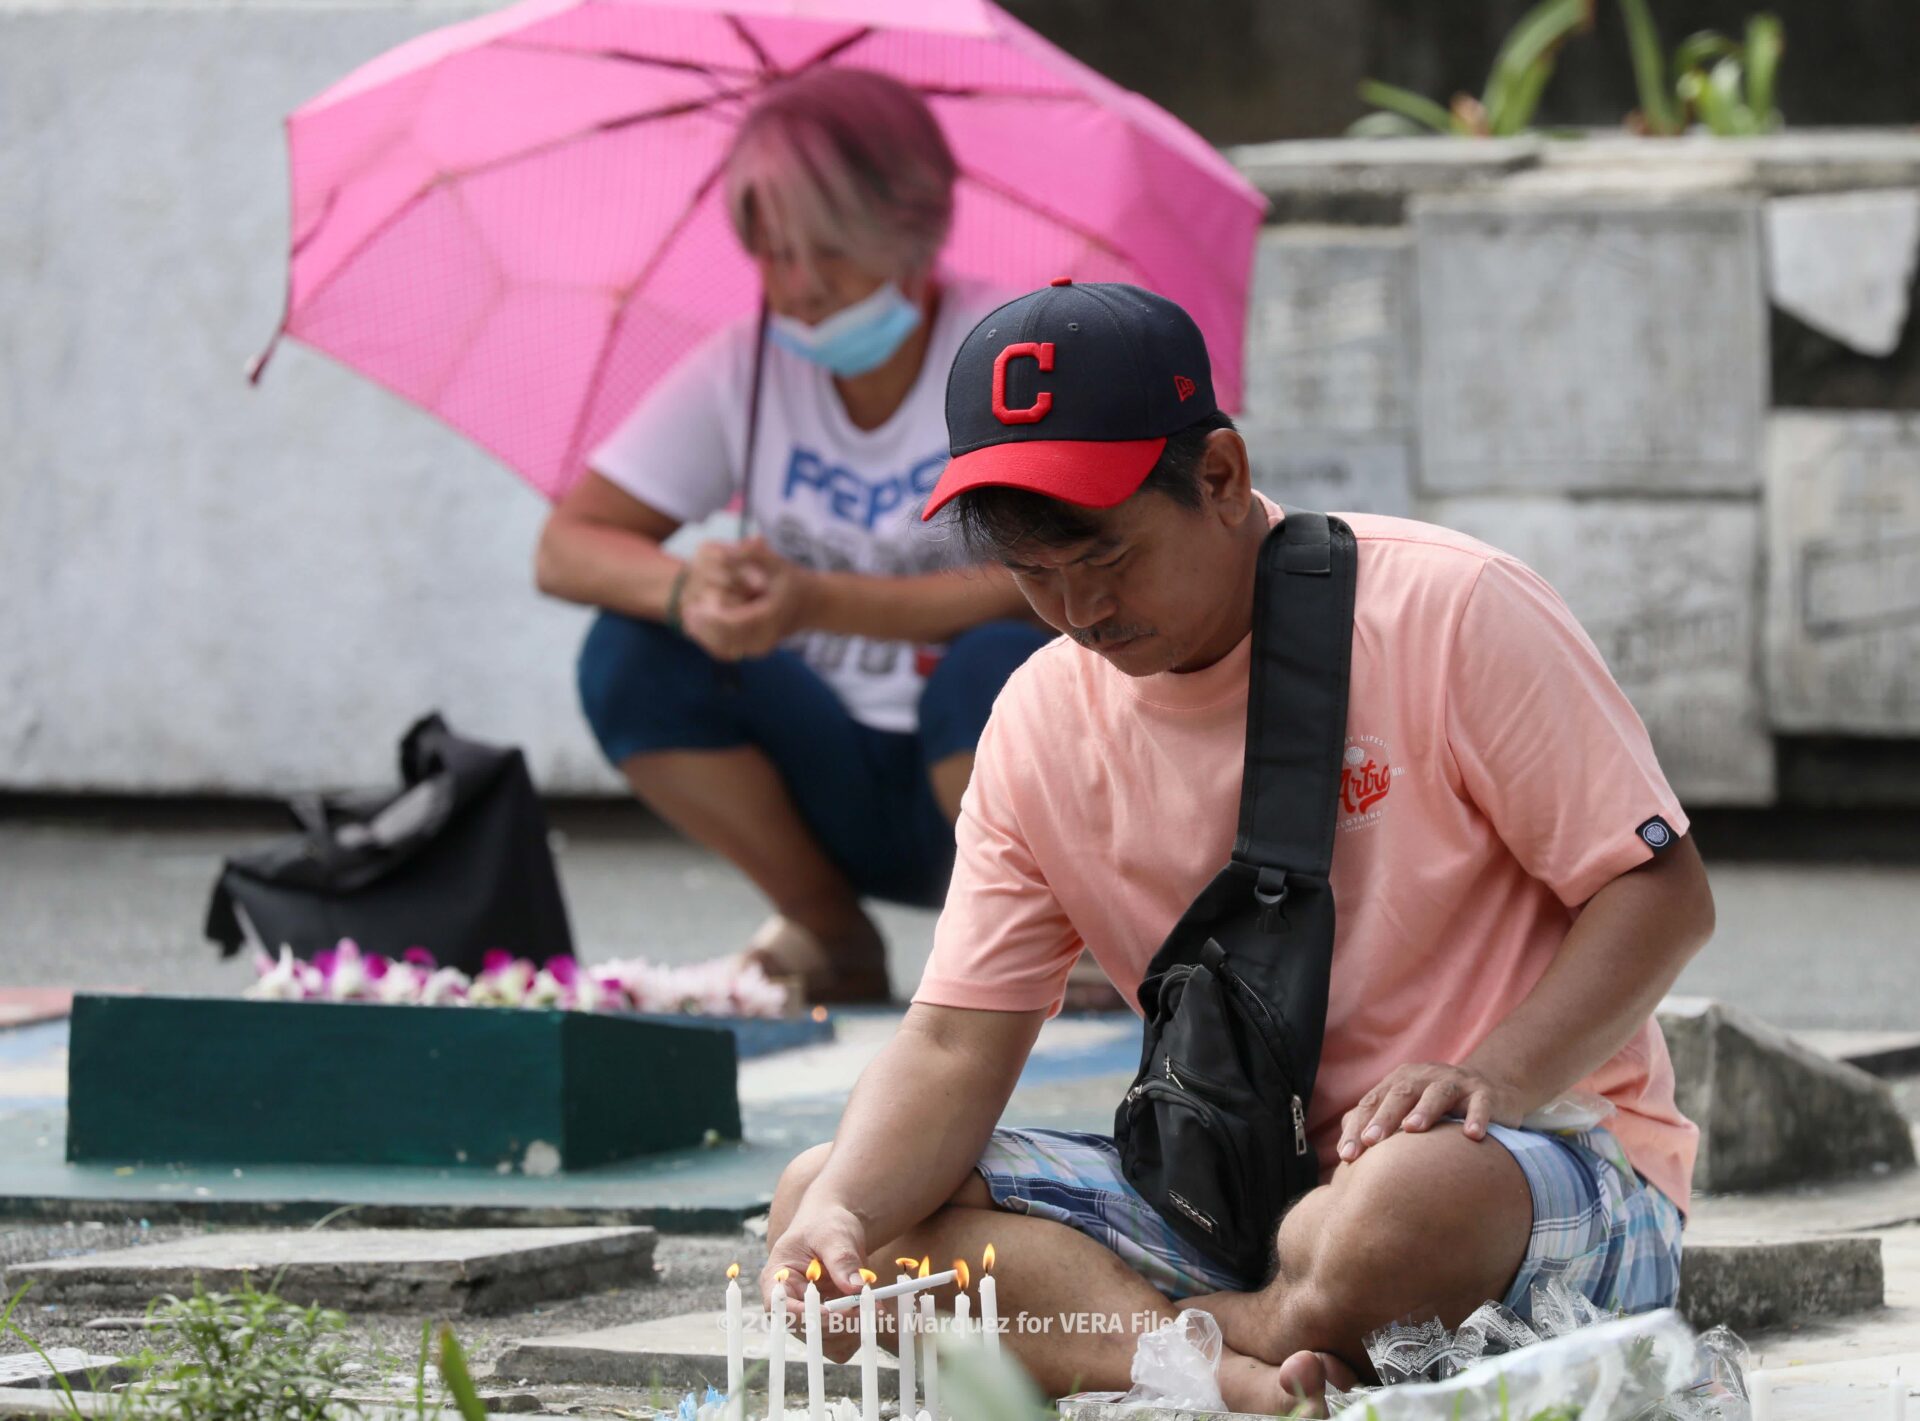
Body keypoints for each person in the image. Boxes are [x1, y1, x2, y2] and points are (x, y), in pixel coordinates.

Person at [758, 281, 1716, 1415]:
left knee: (1393, 1216)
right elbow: (959, 1042)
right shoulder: (1035, 724)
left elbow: (1661, 894)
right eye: (1033, 570)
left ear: (1219, 475)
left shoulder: (1451, 608)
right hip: (1223, 1198)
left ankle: (1147, 1341)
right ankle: (1234, 1358)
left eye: (1104, 554)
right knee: (824, 1204)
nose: (1076, 607)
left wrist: (1493, 1074)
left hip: (1518, 1157)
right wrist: (847, 1221)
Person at [535, 69, 1053, 1005]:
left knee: (995, 668)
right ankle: (829, 926)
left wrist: (821, 601)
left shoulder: (1009, 353)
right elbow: (568, 545)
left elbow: (1058, 574)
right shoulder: (746, 365)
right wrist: (689, 590)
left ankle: (1040, 932)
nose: (803, 290)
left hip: (988, 772)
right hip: (834, 772)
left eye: (833, 253)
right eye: (774, 256)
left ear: (913, 231)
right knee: (632, 655)